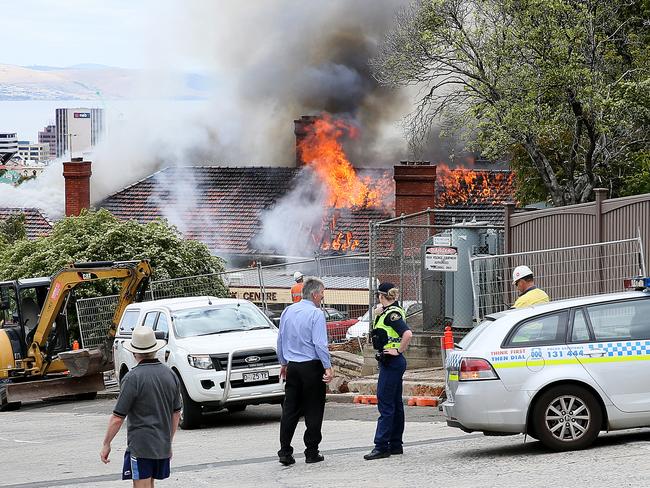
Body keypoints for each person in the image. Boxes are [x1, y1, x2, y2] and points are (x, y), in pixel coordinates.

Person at [100, 326, 181, 487]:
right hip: (162, 445)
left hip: (140, 447)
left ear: (134, 352)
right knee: (150, 484)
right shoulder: (170, 375)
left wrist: (106, 443)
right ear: (154, 349)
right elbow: (176, 413)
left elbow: (117, 417)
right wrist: (168, 442)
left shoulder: (132, 378)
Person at [277, 277, 334, 465]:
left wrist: (283, 363)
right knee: (314, 409)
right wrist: (327, 366)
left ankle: (285, 451)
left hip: (293, 366)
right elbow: (319, 343)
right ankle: (311, 451)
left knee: (290, 409)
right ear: (315, 294)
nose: (323, 297)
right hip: (311, 366)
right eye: (322, 294)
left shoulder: (288, 311)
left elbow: (281, 339)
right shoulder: (316, 314)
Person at [364, 282, 413, 461]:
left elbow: (407, 334)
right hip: (393, 362)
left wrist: (398, 350)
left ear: (381, 296)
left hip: (392, 361)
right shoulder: (391, 311)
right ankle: (395, 444)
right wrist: (379, 312)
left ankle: (381, 446)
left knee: (385, 403)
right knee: (395, 404)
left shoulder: (391, 314)